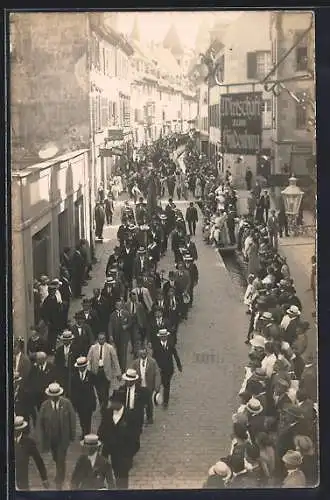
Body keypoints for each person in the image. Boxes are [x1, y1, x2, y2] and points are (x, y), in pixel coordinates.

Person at [98, 390, 139, 489]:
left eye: (114, 402)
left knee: (122, 481)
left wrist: (129, 456)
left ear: (120, 403)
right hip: (108, 451)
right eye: (111, 402)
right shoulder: (107, 413)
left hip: (123, 455)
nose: (111, 404)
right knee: (110, 476)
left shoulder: (130, 416)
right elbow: (101, 430)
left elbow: (135, 439)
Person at [39, 382, 76, 490]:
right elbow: (40, 423)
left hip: (63, 438)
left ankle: (60, 479)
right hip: (51, 439)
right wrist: (42, 439)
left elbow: (72, 419)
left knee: (61, 458)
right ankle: (60, 471)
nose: (55, 398)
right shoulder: (44, 406)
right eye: (53, 396)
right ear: (50, 396)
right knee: (56, 457)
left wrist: (72, 435)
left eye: (57, 396)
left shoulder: (66, 403)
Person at [87, 332, 122, 415]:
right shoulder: (93, 348)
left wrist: (118, 373)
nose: (101, 340)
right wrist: (87, 372)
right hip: (96, 372)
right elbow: (88, 360)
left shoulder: (110, 348)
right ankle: (103, 404)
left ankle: (104, 405)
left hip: (106, 372)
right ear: (97, 339)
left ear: (105, 339)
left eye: (103, 339)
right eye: (99, 339)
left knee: (105, 390)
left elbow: (115, 361)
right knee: (99, 391)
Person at [14, 415, 49, 490]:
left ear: (21, 430)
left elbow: (38, 460)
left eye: (17, 430)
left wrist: (44, 478)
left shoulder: (29, 443)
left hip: (22, 484)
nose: (15, 431)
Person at [152, 328, 182, 408]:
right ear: (160, 337)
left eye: (165, 336)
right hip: (159, 369)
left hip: (169, 369)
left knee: (166, 385)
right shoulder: (156, 346)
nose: (163, 338)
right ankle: (156, 399)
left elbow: (175, 355)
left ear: (167, 336)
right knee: (158, 385)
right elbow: (153, 358)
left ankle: (165, 402)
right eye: (162, 336)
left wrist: (179, 365)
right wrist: (154, 368)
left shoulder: (171, 344)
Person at [131, 345, 161, 425]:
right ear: (139, 354)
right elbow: (131, 372)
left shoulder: (152, 362)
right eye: (141, 354)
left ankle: (149, 417)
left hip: (149, 386)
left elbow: (157, 374)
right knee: (139, 403)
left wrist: (157, 386)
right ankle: (140, 418)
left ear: (147, 353)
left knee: (149, 403)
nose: (143, 355)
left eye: (144, 353)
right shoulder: (135, 363)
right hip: (139, 386)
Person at [71, 356, 97, 439]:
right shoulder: (74, 376)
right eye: (79, 367)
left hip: (88, 401)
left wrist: (94, 402)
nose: (81, 368)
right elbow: (72, 390)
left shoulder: (91, 375)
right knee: (81, 418)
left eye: (82, 367)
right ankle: (83, 431)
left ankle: (87, 432)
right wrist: (73, 402)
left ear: (85, 366)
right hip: (79, 402)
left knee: (88, 418)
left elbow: (94, 390)